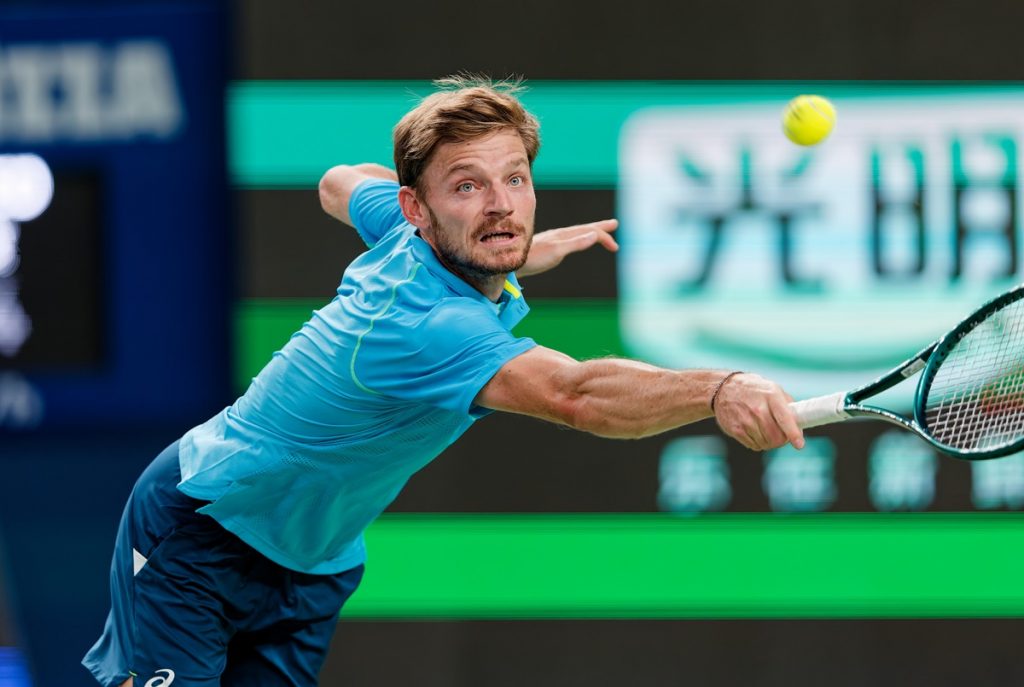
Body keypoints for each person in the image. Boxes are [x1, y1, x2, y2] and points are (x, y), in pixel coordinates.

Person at [83, 75, 804, 687]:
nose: (501, 204)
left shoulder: (404, 228)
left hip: (313, 559)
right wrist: (719, 386)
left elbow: (339, 183)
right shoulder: (424, 324)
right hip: (201, 533)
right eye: (468, 186)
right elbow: (575, 394)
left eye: (514, 180)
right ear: (417, 208)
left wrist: (508, 253)